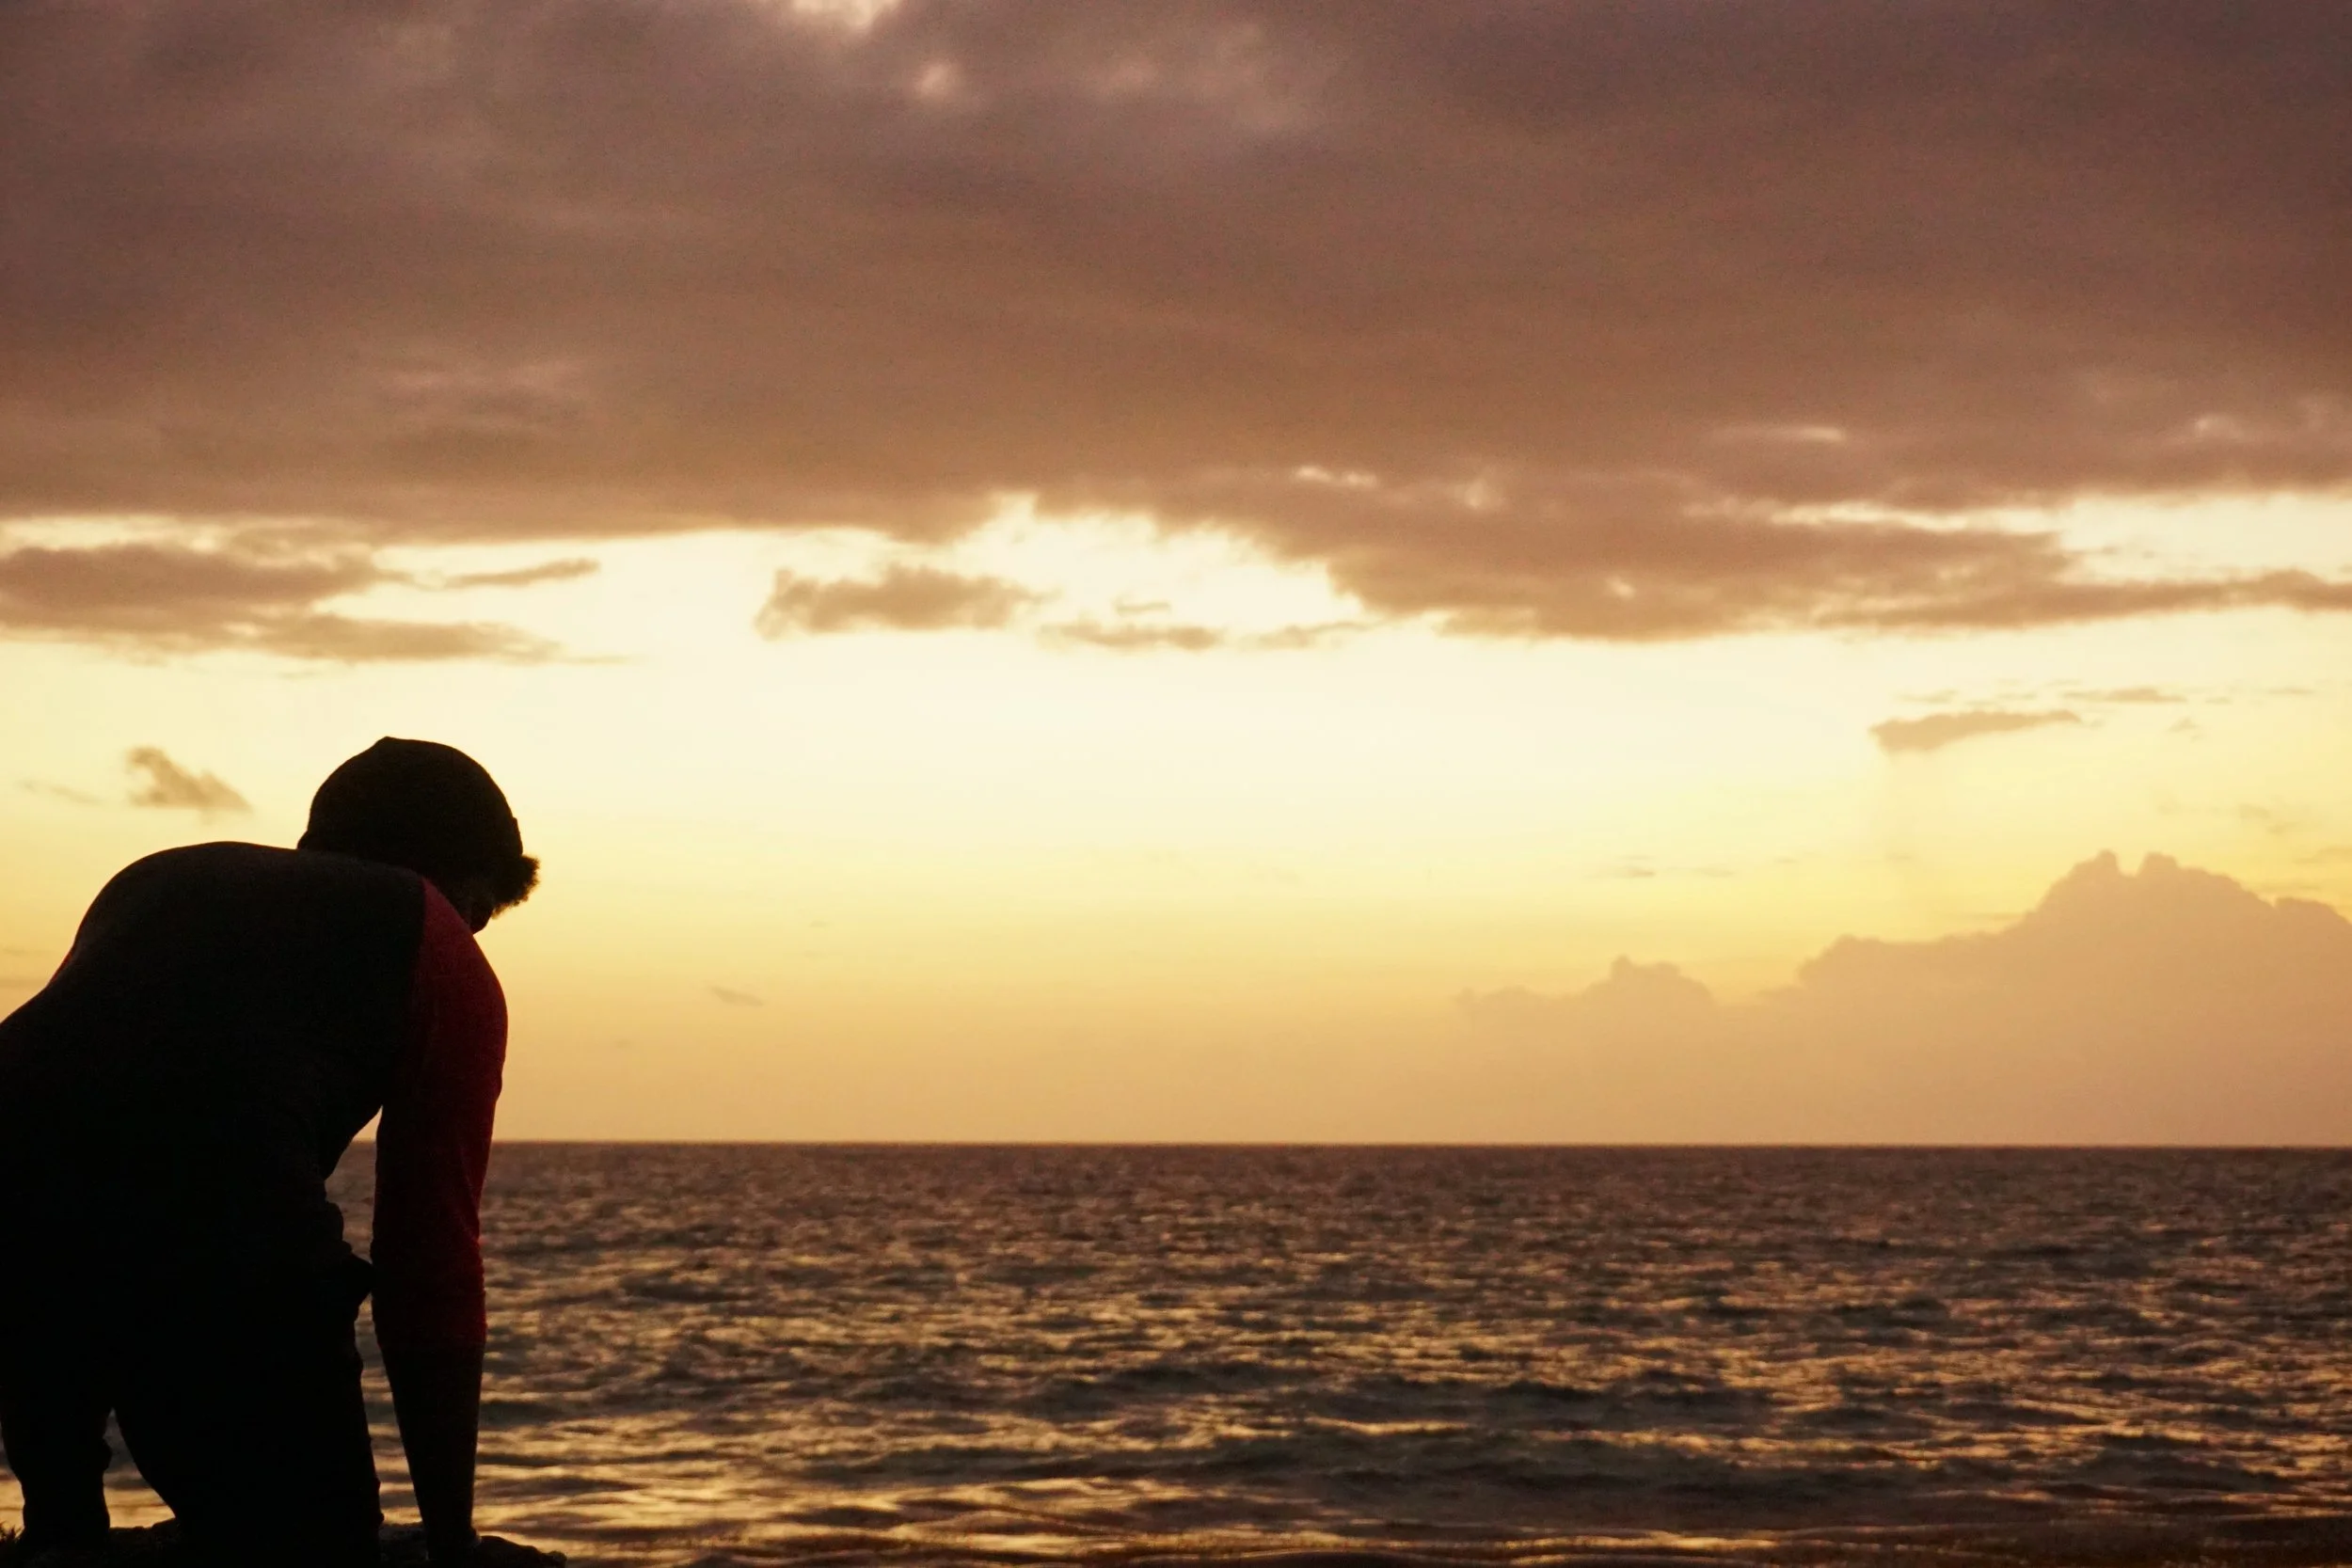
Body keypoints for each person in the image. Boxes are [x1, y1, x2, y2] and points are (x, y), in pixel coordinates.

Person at [0, 739, 564, 1567]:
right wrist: (451, 1540)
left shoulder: (158, 875)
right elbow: (428, 1260)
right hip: (219, 1228)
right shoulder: (435, 942)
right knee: (314, 1544)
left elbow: (69, 1102)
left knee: (66, 1541)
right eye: (482, 906)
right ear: (457, 881)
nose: (475, 930)